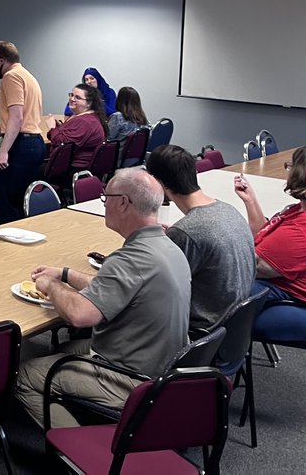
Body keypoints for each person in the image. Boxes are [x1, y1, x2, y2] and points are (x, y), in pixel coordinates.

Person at [16, 170, 190, 427]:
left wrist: (52, 286)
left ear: (122, 202)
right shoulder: (167, 247)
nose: (104, 203)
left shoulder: (130, 258)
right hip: (161, 363)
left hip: (131, 378)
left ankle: (71, 451)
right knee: (60, 350)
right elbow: (113, 288)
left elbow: (81, 316)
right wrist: (66, 274)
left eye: (105, 197)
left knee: (23, 375)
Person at [147, 144, 254, 331]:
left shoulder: (187, 232)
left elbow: (151, 288)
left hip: (198, 330)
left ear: (158, 183)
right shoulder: (227, 209)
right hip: (231, 326)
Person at [0, 41, 45, 223]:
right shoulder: (27, 76)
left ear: (2, 60)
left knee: (5, 203)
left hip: (21, 145)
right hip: (34, 143)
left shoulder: (11, 77)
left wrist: (3, 151)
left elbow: (16, 119)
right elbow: (9, 122)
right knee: (21, 200)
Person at [235, 147, 306, 305]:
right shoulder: (297, 210)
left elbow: (252, 266)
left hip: (286, 297)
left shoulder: (299, 230)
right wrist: (250, 200)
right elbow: (264, 236)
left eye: (291, 167)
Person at [45, 82, 107, 172]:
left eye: (77, 97)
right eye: (71, 95)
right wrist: (59, 127)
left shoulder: (85, 121)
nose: (72, 99)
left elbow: (62, 145)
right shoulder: (84, 117)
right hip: (71, 166)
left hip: (71, 170)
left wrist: (52, 128)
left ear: (88, 103)